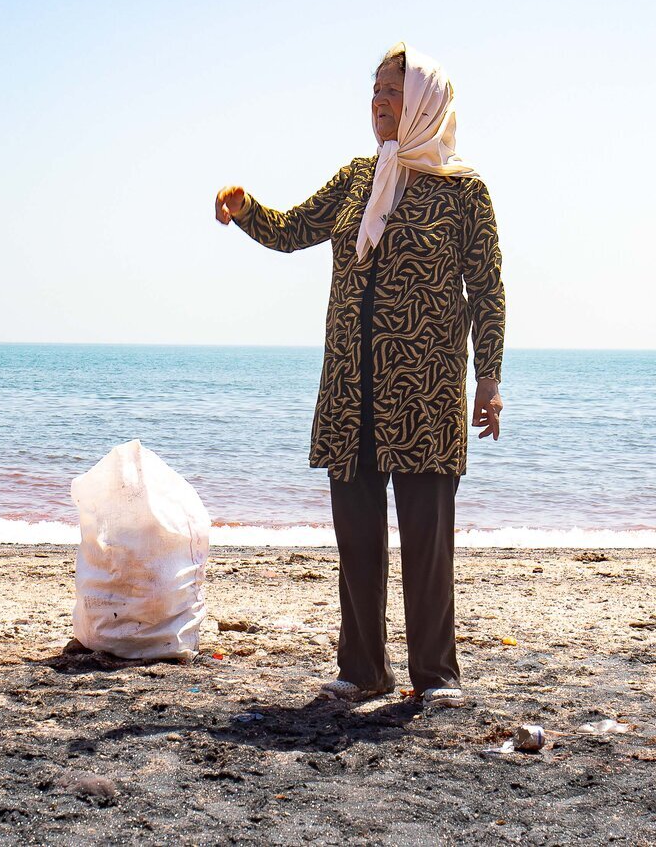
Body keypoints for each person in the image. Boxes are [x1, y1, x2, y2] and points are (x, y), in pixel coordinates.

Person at [214, 44, 505, 709]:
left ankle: (435, 676)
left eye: (393, 91)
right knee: (358, 541)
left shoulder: (464, 192)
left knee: (428, 545)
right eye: (374, 89)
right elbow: (293, 230)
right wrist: (247, 208)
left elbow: (487, 289)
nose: (379, 100)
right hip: (352, 392)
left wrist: (488, 379)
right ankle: (363, 669)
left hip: (424, 397)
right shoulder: (356, 177)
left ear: (427, 102)